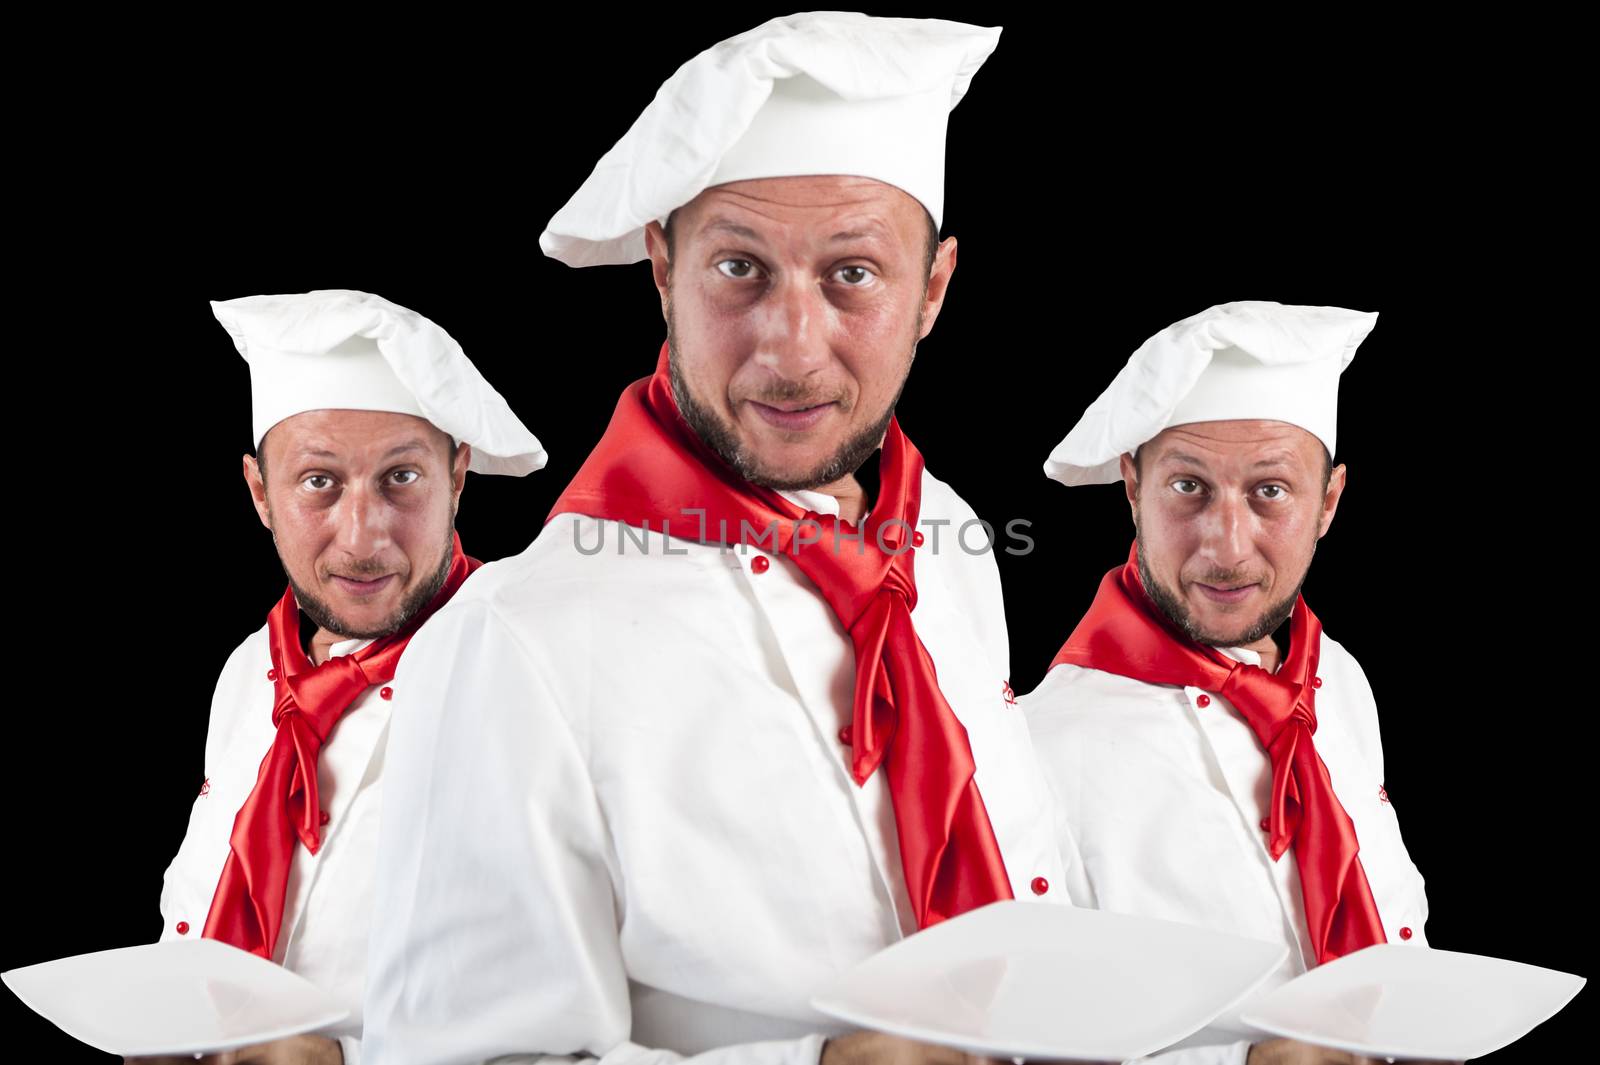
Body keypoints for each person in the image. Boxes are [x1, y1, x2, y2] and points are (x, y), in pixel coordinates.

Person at [361, 13, 1068, 1065]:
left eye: (852, 275)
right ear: (661, 265)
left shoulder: (950, 537)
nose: (791, 349)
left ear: (933, 290)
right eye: (739, 269)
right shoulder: (516, 641)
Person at [1020, 301, 1434, 1065]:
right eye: (1188, 487)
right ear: (1131, 487)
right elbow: (1016, 1040)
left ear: (1329, 503)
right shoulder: (1038, 749)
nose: (1226, 545)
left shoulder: (1338, 682)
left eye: (1270, 491)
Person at [145, 289, 544, 1065]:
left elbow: (623, 1011)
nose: (362, 538)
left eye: (401, 478)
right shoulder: (250, 673)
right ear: (261, 493)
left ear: (459, 472)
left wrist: (342, 1061)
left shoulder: (535, 669)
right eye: (319, 483)